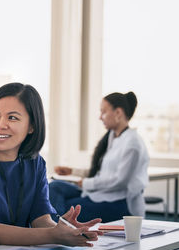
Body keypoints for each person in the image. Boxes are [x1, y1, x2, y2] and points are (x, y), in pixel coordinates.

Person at [0, 83, 101, 248]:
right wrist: (54, 235)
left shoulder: (35, 162)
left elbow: (40, 219)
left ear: (31, 126)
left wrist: (66, 230)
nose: (0, 125)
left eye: (12, 117)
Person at [49, 92, 149, 223]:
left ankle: (56, 231)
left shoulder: (132, 143)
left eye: (103, 112)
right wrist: (72, 171)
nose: (100, 117)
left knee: (65, 208)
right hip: (99, 193)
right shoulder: (114, 138)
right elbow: (102, 171)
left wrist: (86, 183)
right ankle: (56, 228)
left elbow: (119, 181)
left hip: (119, 203)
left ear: (118, 113)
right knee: (53, 186)